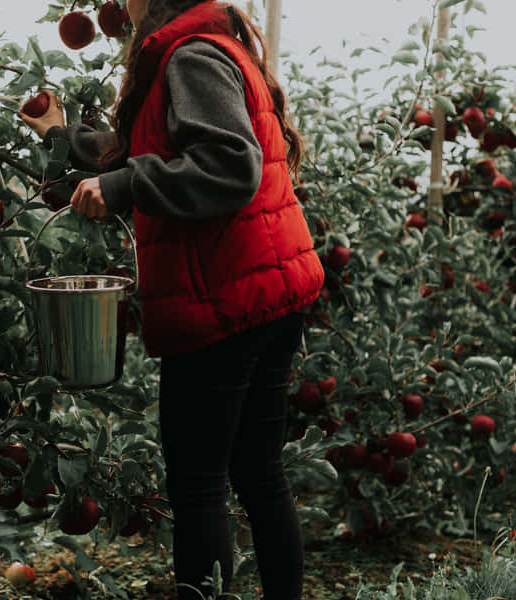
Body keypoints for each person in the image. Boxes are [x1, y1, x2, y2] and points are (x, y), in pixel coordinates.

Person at [20, 1, 324, 598]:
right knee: (258, 471)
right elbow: (154, 147)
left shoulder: (192, 56)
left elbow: (229, 164)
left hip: (223, 297)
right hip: (265, 285)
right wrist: (63, 136)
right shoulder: (209, 45)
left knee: (199, 484)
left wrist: (125, 186)